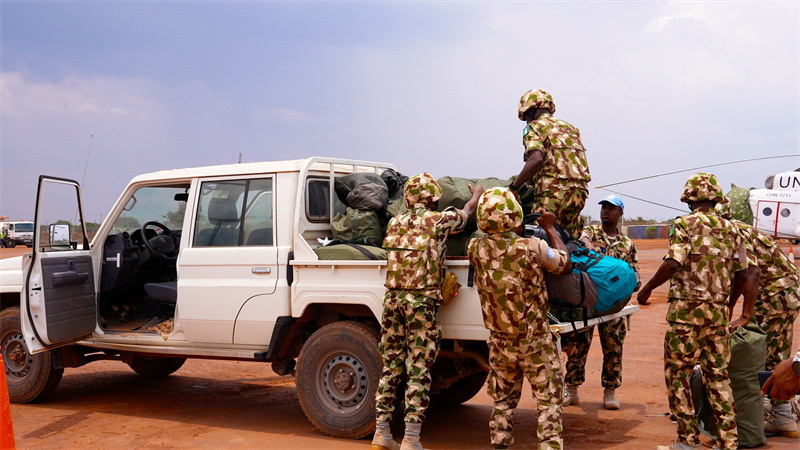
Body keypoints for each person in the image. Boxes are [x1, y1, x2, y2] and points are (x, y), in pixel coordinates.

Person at [637, 173, 757, 450]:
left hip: (686, 316)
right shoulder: (733, 230)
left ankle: (686, 440)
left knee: (678, 374)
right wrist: (727, 305)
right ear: (716, 198)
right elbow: (743, 274)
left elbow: (673, 263)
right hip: (716, 316)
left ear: (689, 199)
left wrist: (647, 290)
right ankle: (728, 441)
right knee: (718, 376)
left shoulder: (684, 225)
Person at [372, 173, 483, 450]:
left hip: (393, 302)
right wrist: (476, 196)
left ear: (408, 198)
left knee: (391, 367)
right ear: (433, 198)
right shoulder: (439, 220)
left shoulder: (394, 222)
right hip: (421, 305)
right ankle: (411, 439)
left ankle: (381, 434)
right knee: (418, 370)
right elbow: (467, 214)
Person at [467, 187, 572, 450]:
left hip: (500, 342)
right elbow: (563, 263)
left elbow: (486, 237)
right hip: (535, 342)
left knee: (502, 402)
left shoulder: (474, 247)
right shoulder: (532, 246)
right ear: (515, 216)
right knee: (548, 402)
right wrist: (550, 228)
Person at [723, 205, 799, 438]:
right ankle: (781, 413)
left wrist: (743, 314)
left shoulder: (731, 233)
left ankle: (776, 416)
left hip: (770, 298)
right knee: (777, 353)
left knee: (751, 353)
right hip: (789, 295)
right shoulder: (745, 229)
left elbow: (750, 273)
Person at [563, 194, 640, 410]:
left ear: (620, 213)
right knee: (578, 346)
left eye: (611, 208)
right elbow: (584, 241)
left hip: (615, 305)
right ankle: (572, 389)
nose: (606, 210)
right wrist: (591, 249)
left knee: (613, 347)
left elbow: (634, 271)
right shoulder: (591, 232)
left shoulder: (627, 244)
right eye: (603, 207)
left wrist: (635, 282)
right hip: (588, 302)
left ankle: (610, 391)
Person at [508, 89, 591, 238]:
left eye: (526, 115)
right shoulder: (571, 128)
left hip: (553, 193)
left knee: (539, 239)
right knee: (569, 240)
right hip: (580, 192)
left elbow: (536, 160)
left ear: (532, 110)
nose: (527, 120)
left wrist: (514, 187)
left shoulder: (535, 127)